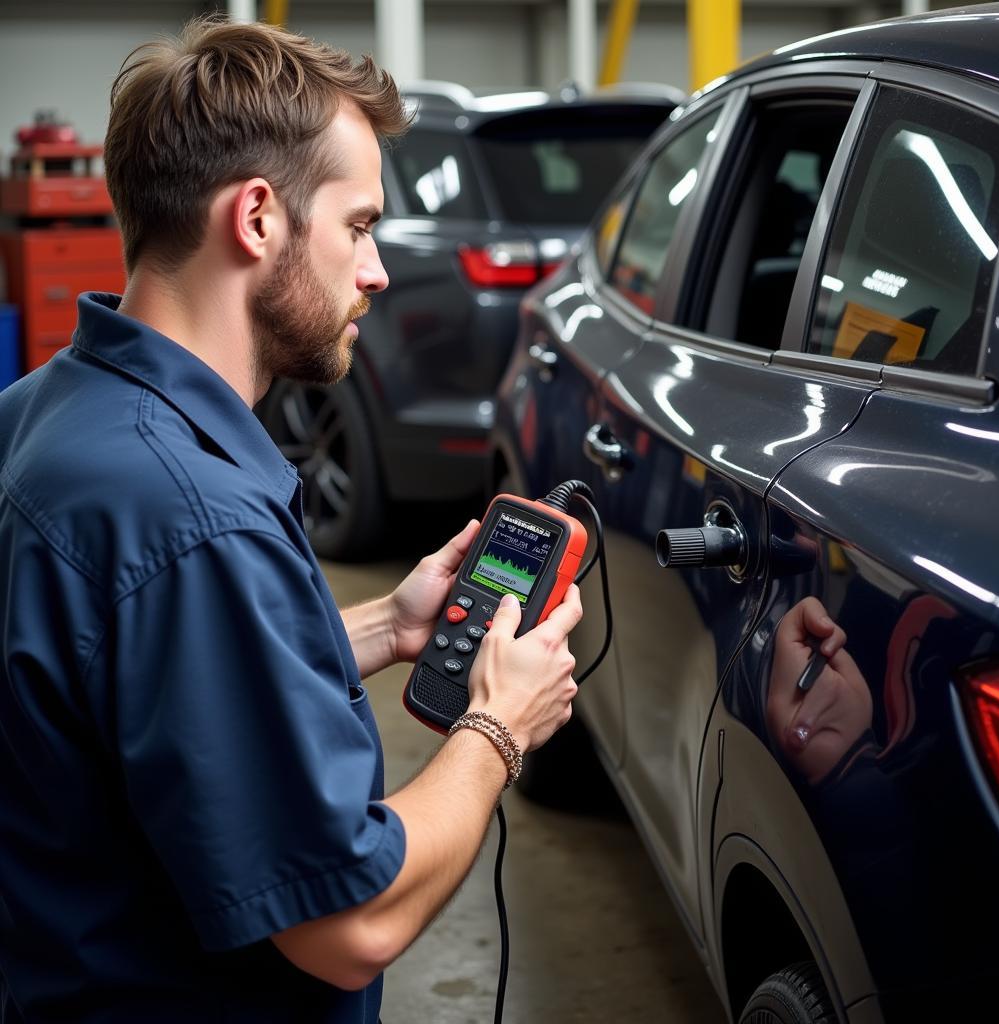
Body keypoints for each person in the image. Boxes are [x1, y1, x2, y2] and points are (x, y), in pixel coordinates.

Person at [0, 17, 581, 1023]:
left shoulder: (45, 411)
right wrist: (497, 725)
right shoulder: (191, 515)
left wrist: (386, 629)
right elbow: (348, 923)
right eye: (358, 226)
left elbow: (134, 687)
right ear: (258, 218)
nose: (378, 272)